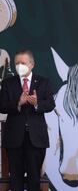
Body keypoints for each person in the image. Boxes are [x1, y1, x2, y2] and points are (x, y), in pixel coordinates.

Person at [0, 49, 55, 191]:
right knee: (15, 178)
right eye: (16, 63)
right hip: (14, 138)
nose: (19, 66)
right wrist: (18, 103)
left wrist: (37, 104)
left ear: (32, 64)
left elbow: (50, 105)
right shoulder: (8, 83)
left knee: (34, 178)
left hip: (36, 138)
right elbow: (1, 106)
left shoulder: (43, 82)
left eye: (23, 63)